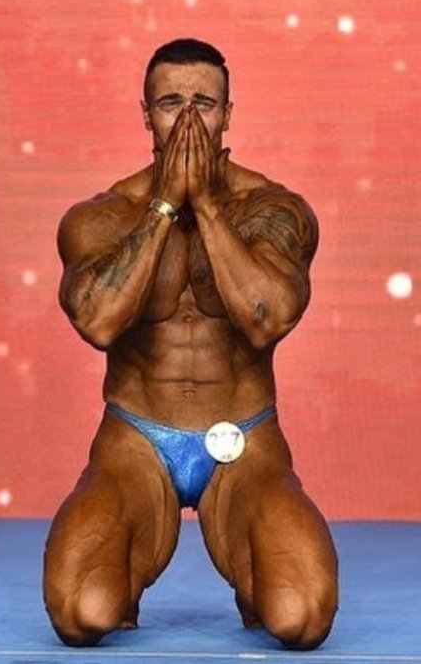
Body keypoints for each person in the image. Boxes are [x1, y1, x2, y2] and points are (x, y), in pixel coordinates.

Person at [43, 38, 338, 651]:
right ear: (145, 113)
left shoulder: (274, 209)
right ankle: (128, 566)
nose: (186, 120)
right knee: (81, 612)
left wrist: (203, 203)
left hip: (246, 441)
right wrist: (163, 205)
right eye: (169, 103)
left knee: (301, 618)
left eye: (203, 104)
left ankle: (250, 569)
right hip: (135, 440)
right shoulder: (101, 216)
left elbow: (266, 318)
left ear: (228, 114)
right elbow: (98, 323)